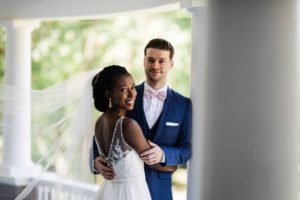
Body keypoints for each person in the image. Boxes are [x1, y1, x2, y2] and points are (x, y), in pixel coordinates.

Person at [90, 39, 192, 200]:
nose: (155, 66)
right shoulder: (124, 97)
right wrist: (95, 162)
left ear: (171, 64)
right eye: (151, 60)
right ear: (144, 61)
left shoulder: (183, 105)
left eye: (161, 61)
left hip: (160, 192)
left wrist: (163, 156)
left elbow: (186, 150)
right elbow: (101, 137)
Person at [91, 65, 176, 200]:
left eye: (132, 87)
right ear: (108, 94)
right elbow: (153, 161)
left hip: (109, 192)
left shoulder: (99, 121)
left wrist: (96, 162)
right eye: (123, 89)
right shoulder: (128, 125)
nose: (132, 93)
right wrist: (172, 166)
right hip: (132, 193)